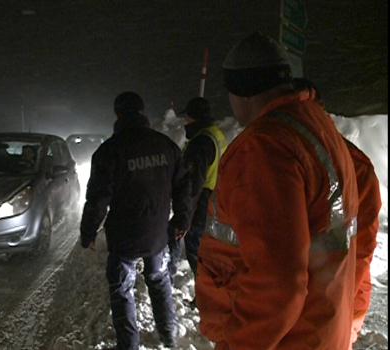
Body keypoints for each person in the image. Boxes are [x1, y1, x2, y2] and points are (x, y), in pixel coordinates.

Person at [195, 31, 359, 349]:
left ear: (242, 91)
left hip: (286, 340)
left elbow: (277, 283)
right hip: (321, 329)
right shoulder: (316, 126)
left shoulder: (263, 148)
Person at [80, 91, 187, 349]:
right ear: (142, 112)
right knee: (159, 280)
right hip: (157, 234)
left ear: (118, 115)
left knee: (121, 290)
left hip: (124, 237)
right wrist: (182, 219)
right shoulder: (166, 146)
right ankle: (169, 335)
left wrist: (89, 232)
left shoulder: (109, 151)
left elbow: (98, 199)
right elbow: (185, 185)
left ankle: (128, 345)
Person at [293, 77, 383, 344]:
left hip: (332, 305)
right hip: (326, 304)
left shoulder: (351, 164)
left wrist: (337, 308)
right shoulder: (287, 157)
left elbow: (361, 248)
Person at [167, 97, 228, 294]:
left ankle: (205, 295)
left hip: (201, 201)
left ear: (194, 119)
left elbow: (192, 183)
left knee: (195, 249)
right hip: (215, 198)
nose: (185, 122)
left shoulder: (201, 142)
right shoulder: (216, 134)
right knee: (203, 250)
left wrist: (184, 217)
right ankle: (208, 292)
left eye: (187, 118)